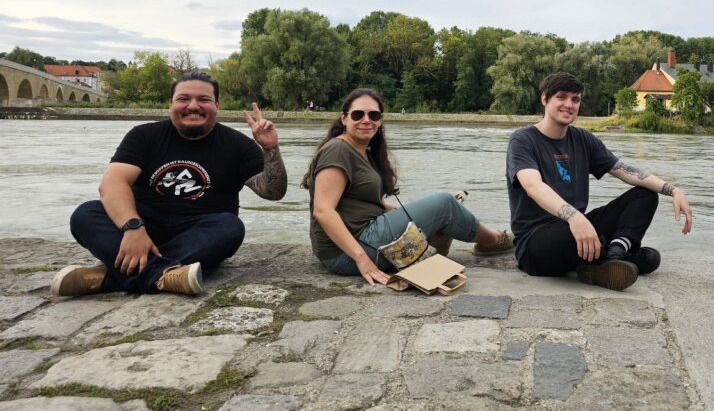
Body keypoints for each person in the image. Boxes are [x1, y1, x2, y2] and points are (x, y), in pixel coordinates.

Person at [52, 71, 288, 297]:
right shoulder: (144, 136)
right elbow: (112, 184)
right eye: (183, 98)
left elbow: (273, 192)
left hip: (199, 231)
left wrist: (269, 149)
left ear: (217, 106)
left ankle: (112, 278)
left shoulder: (238, 145)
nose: (193, 105)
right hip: (142, 223)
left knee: (230, 227)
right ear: (170, 104)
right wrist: (133, 228)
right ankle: (165, 275)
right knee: (85, 214)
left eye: (204, 99)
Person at [304, 88, 514, 285]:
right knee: (444, 203)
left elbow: (367, 203)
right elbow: (323, 210)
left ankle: (441, 240)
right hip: (349, 252)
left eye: (374, 116)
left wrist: (413, 215)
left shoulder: (364, 152)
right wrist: (361, 259)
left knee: (438, 211)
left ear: (380, 121)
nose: (366, 120)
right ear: (344, 118)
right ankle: (494, 241)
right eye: (358, 114)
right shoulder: (338, 150)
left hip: (366, 236)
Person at [506, 72, 693, 291]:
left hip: (578, 226)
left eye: (575, 99)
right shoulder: (523, 139)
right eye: (562, 97)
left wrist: (673, 190)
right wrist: (574, 216)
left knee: (645, 195)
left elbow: (624, 170)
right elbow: (532, 186)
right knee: (644, 257)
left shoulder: (583, 139)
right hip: (536, 242)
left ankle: (613, 255)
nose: (569, 104)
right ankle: (620, 255)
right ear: (545, 99)